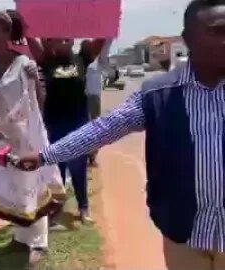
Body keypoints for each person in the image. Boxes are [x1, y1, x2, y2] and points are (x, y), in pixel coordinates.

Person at [17, 0, 225, 269]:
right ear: (188, 38)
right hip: (184, 234)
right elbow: (104, 128)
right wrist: (46, 155)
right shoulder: (157, 94)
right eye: (218, 31)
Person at [0, 10, 64, 265]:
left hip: (28, 132)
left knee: (32, 182)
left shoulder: (25, 64)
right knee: (13, 184)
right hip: (5, 133)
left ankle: (39, 242)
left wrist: (32, 130)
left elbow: (38, 96)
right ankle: (19, 237)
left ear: (8, 35)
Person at [26, 36, 106, 223]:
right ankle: (56, 207)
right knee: (56, 167)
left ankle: (83, 208)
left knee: (78, 166)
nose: (62, 42)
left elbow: (100, 39)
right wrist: (26, 23)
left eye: (66, 40)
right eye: (58, 40)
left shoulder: (82, 59)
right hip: (54, 122)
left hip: (77, 121)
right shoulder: (47, 61)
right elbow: (31, 40)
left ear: (72, 42)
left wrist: (105, 19)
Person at [84, 39, 113, 167]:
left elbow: (105, 50)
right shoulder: (78, 63)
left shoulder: (97, 64)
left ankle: (92, 157)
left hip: (94, 99)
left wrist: (109, 38)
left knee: (95, 128)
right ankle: (84, 156)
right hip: (83, 98)